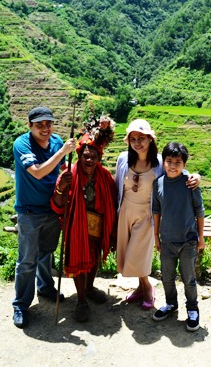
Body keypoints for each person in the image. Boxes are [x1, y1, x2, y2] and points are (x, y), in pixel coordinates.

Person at [115, 119, 200, 310]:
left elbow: (176, 171)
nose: (137, 142)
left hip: (147, 213)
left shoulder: (160, 162)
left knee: (137, 254)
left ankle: (147, 289)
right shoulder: (122, 159)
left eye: (142, 138)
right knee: (127, 252)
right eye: (133, 138)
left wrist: (196, 176)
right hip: (126, 211)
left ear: (150, 140)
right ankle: (140, 287)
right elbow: (117, 185)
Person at [11, 106, 77, 329]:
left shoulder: (57, 141)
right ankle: (20, 305)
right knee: (27, 260)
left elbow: (60, 167)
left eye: (48, 123)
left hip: (52, 209)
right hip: (29, 212)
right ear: (30, 126)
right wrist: (62, 153)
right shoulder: (22, 145)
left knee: (46, 253)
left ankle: (45, 287)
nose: (45, 128)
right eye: (39, 124)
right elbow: (38, 171)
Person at [52, 116, 117, 322]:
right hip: (76, 225)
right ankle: (81, 300)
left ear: (99, 158)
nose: (89, 160)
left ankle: (89, 288)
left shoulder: (105, 176)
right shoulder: (69, 174)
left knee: (94, 257)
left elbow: (113, 202)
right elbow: (57, 204)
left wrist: (111, 231)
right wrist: (62, 187)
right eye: (86, 156)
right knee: (79, 260)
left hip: (97, 224)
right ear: (79, 156)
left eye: (94, 157)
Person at [151, 142, 205, 332]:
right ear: (163, 162)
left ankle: (192, 309)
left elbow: (199, 210)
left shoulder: (189, 182)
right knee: (167, 277)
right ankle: (171, 304)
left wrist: (201, 237)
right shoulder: (157, 184)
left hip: (188, 240)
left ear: (184, 164)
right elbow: (156, 211)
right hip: (167, 240)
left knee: (189, 278)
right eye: (169, 161)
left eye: (178, 162)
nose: (173, 166)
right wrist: (156, 236)